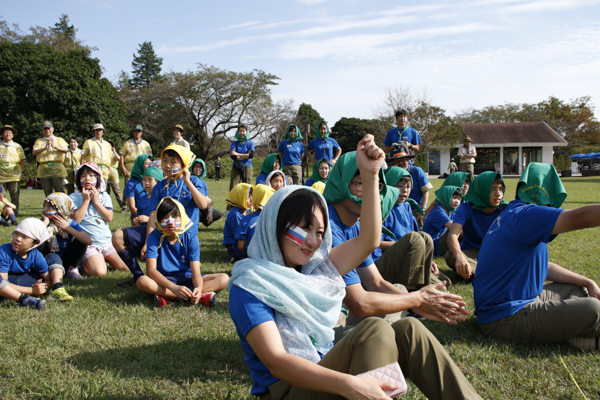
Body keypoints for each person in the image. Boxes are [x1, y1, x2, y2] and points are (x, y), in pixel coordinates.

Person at [229, 135, 480, 400]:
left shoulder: (314, 268)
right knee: (375, 329)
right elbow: (277, 362)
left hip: (321, 363)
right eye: (303, 228)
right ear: (275, 224)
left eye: (320, 232)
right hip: (285, 390)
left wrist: (370, 175)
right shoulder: (252, 284)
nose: (313, 241)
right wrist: (350, 385)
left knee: (410, 330)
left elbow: (369, 241)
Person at [474, 163, 600, 350]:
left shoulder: (514, 213)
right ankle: (579, 335)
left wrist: (587, 281)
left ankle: (568, 329)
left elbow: (543, 266)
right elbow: (582, 217)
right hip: (505, 317)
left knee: (578, 289)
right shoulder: (526, 214)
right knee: (593, 309)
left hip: (525, 300)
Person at [135, 197, 229, 307]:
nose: (170, 222)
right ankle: (195, 297)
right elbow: (151, 271)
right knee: (142, 281)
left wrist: (198, 287)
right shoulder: (154, 236)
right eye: (165, 217)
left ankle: (169, 297)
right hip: (164, 281)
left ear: (182, 216)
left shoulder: (191, 238)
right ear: (159, 220)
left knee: (224, 278)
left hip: (188, 278)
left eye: (175, 216)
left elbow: (195, 272)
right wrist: (174, 288)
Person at [445, 171, 508, 280]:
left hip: (497, 252)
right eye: (493, 189)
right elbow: (453, 235)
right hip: (472, 253)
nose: (498, 194)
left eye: (501, 189)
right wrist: (460, 257)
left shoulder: (506, 209)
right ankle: (492, 273)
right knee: (450, 255)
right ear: (482, 189)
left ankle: (481, 273)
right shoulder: (466, 208)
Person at [70, 163, 128, 276]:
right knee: (100, 272)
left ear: (98, 178)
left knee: (126, 267)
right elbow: (76, 219)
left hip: (106, 241)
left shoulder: (104, 196)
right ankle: (84, 261)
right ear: (78, 179)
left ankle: (100, 258)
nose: (87, 178)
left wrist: (96, 202)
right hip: (88, 244)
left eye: (91, 175)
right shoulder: (73, 197)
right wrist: (86, 201)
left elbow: (109, 218)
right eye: (83, 176)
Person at [39, 193, 92, 291]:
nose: (45, 209)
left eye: (49, 206)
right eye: (44, 206)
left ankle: (71, 270)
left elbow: (88, 240)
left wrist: (66, 227)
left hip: (65, 259)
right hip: (48, 259)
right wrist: (45, 222)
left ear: (61, 209)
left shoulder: (70, 223)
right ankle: (42, 271)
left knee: (81, 240)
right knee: (40, 240)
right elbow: (34, 240)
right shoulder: (41, 223)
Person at [0, 218, 51, 310]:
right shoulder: (4, 252)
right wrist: (31, 291)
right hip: (7, 286)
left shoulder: (36, 256)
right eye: (16, 233)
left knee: (53, 258)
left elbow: (48, 280)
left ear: (35, 242)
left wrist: (42, 289)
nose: (18, 239)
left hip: (19, 282)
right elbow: (3, 284)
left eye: (24, 237)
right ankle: (25, 300)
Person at [388, 141, 432, 228]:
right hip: (400, 207)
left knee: (419, 233)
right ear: (394, 162)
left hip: (416, 209)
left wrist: (422, 210)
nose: (401, 162)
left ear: (408, 160)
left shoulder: (417, 171)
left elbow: (426, 191)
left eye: (403, 159)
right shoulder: (393, 174)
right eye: (398, 160)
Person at [235, 184, 275, 257]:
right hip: (271, 257)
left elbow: (240, 246)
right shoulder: (275, 219)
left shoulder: (246, 219)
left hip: (252, 257)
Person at [423, 186, 462, 257]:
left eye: (459, 199)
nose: (457, 201)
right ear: (445, 197)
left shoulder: (451, 211)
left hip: (439, 242)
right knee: (456, 230)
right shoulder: (438, 211)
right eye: (454, 198)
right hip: (433, 246)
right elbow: (454, 228)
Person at [32, 121, 68, 196]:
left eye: (49, 128)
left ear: (52, 129)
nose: (47, 130)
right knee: (47, 189)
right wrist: (45, 148)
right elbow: (34, 152)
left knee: (59, 189)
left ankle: (62, 205)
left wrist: (54, 146)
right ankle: (50, 206)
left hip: (57, 168)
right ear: (42, 130)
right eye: (45, 129)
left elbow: (65, 150)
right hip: (44, 168)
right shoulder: (39, 141)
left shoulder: (59, 139)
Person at [223, 183, 252, 262]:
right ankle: (235, 257)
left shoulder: (248, 211)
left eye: (251, 197)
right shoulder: (235, 214)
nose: (251, 200)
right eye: (248, 198)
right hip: (234, 246)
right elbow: (238, 235)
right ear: (240, 198)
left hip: (243, 243)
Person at [0, 125, 25, 214]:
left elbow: (22, 160)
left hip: (14, 174)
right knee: (1, 195)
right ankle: (2, 212)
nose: (8, 134)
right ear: (2, 134)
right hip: (1, 175)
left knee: (15, 195)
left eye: (10, 132)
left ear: (13, 135)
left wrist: (22, 172)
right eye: (6, 132)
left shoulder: (17, 146)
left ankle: (15, 211)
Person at [190, 158, 222, 227]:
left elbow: (205, 200)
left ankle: (203, 220)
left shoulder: (203, 183)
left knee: (217, 213)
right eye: (196, 166)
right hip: (192, 206)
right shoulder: (189, 180)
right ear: (192, 168)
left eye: (200, 167)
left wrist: (210, 211)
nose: (198, 169)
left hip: (202, 206)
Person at [124, 155, 152, 226]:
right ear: (140, 164)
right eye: (146, 164)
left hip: (153, 216)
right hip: (138, 217)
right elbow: (132, 207)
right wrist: (142, 217)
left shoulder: (154, 180)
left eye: (150, 164)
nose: (149, 166)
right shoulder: (131, 184)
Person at [230, 124, 255, 191]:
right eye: (240, 131)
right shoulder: (234, 143)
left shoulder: (251, 143)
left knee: (247, 189)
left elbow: (251, 155)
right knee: (233, 188)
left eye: (243, 131)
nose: (242, 133)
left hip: (248, 167)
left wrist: (238, 154)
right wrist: (246, 155)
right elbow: (233, 156)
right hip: (236, 167)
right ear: (238, 132)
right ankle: (233, 201)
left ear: (247, 132)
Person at [106, 140, 126, 213]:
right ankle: (107, 206)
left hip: (113, 172)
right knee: (106, 190)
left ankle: (123, 205)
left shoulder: (113, 153)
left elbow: (118, 158)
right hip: (105, 172)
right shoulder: (105, 153)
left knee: (116, 190)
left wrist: (114, 151)